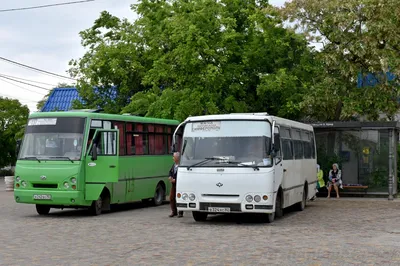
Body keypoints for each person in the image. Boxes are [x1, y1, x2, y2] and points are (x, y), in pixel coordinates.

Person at [169, 152, 183, 218]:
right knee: (171, 197)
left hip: (179, 184)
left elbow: (182, 175)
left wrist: (176, 180)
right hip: (173, 184)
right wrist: (170, 177)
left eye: (174, 157)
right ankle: (174, 211)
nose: (173, 158)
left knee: (179, 198)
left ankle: (180, 212)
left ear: (177, 158)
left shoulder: (181, 165)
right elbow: (170, 172)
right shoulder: (174, 165)